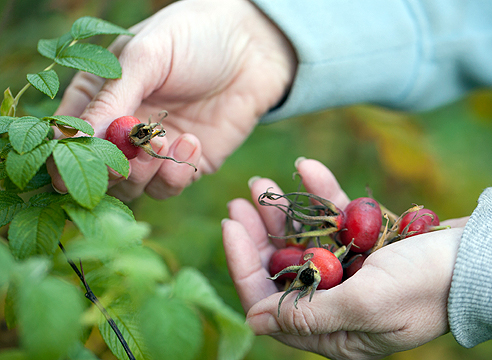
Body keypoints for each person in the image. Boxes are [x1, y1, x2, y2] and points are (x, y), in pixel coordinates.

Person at [50, 0, 492, 359]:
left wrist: (470, 266)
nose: (306, 271)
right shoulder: (350, 240)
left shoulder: (348, 245)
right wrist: (259, 36)